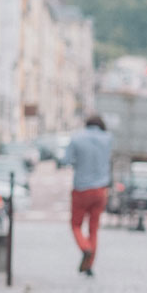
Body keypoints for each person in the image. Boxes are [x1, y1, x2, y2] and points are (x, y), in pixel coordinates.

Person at [63, 115, 113, 277]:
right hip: (101, 190)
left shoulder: (77, 138)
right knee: (94, 229)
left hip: (81, 189)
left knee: (76, 225)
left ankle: (85, 248)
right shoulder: (108, 139)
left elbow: (66, 160)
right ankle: (89, 265)